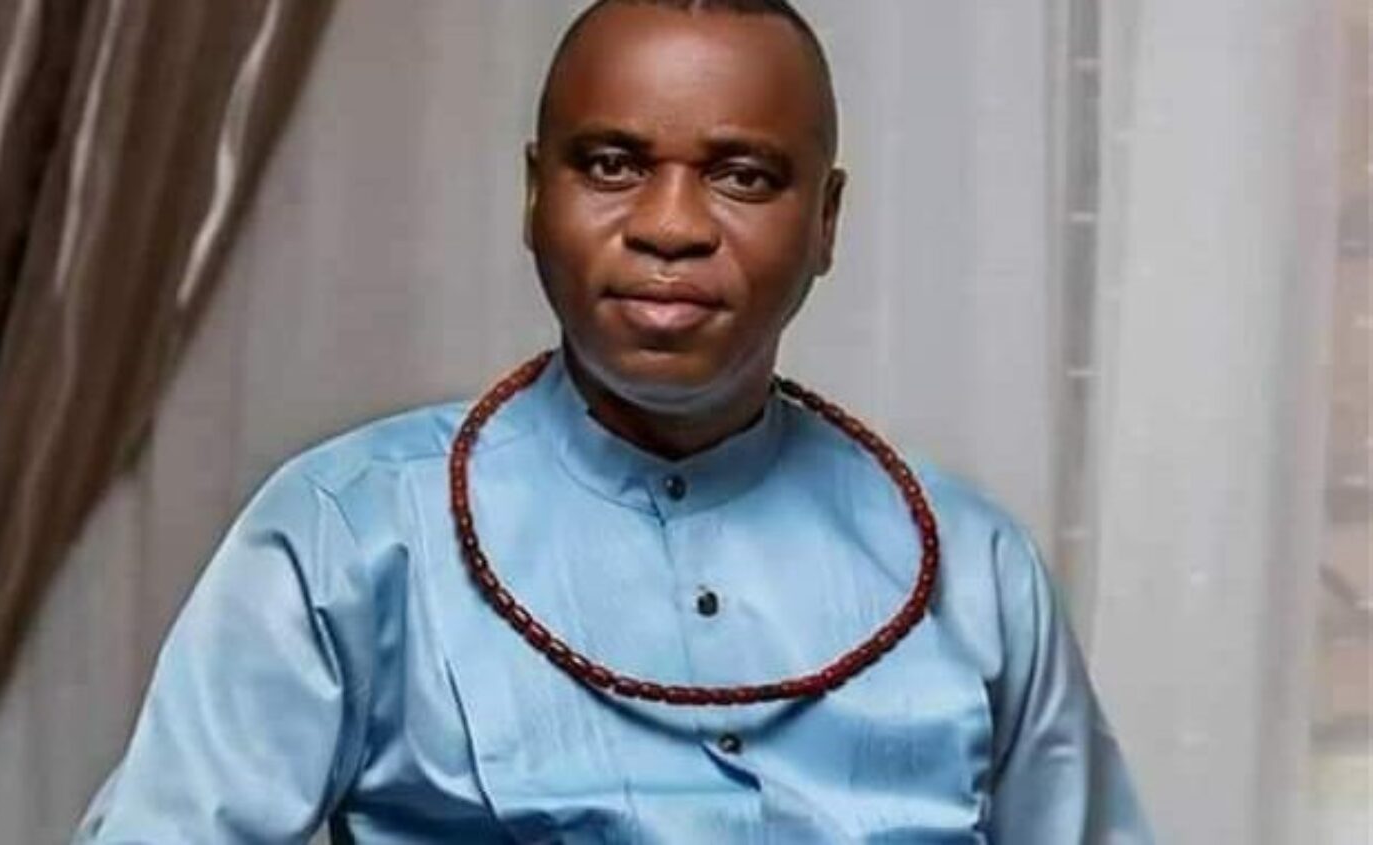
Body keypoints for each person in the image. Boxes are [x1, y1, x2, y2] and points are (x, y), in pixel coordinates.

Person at [76, 1, 1152, 842]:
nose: (670, 226)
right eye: (612, 165)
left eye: (742, 176)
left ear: (825, 221)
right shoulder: (349, 532)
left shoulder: (973, 567)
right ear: (534, 196)